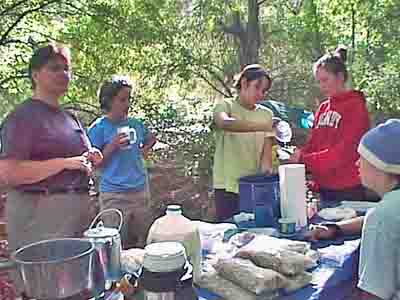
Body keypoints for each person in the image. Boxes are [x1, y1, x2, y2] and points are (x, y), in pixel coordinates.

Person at [0, 43, 102, 297]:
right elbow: (10, 173)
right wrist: (65, 163)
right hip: (39, 214)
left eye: (66, 69)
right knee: (46, 290)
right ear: (35, 75)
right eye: (54, 68)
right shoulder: (23, 117)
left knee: (77, 288)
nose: (63, 74)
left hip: (77, 212)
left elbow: (79, 159)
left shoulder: (70, 117)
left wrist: (90, 157)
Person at [307, 119, 400, 300]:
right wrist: (337, 228)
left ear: (380, 165)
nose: (357, 164)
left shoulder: (383, 216)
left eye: (362, 158)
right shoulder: (390, 209)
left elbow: (373, 294)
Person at [289, 46, 370, 206]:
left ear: (340, 77)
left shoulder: (355, 106)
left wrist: (304, 159)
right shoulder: (323, 108)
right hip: (323, 188)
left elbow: (344, 151)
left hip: (348, 188)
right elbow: (314, 144)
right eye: (319, 81)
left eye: (325, 80)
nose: (322, 86)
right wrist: (296, 156)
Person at [88, 75, 156, 248]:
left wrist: (143, 151)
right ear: (108, 100)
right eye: (122, 99)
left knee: (145, 239)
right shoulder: (98, 128)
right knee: (115, 244)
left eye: (129, 99)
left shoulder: (135, 124)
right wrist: (113, 145)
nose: (127, 104)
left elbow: (151, 138)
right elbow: (96, 163)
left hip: (140, 190)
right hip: (113, 194)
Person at [212, 64, 275, 221]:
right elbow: (224, 123)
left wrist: (266, 176)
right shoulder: (225, 106)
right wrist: (262, 127)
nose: (261, 94)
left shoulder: (266, 114)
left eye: (265, 90)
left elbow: (266, 150)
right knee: (228, 232)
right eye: (257, 88)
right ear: (245, 83)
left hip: (254, 185)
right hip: (227, 186)